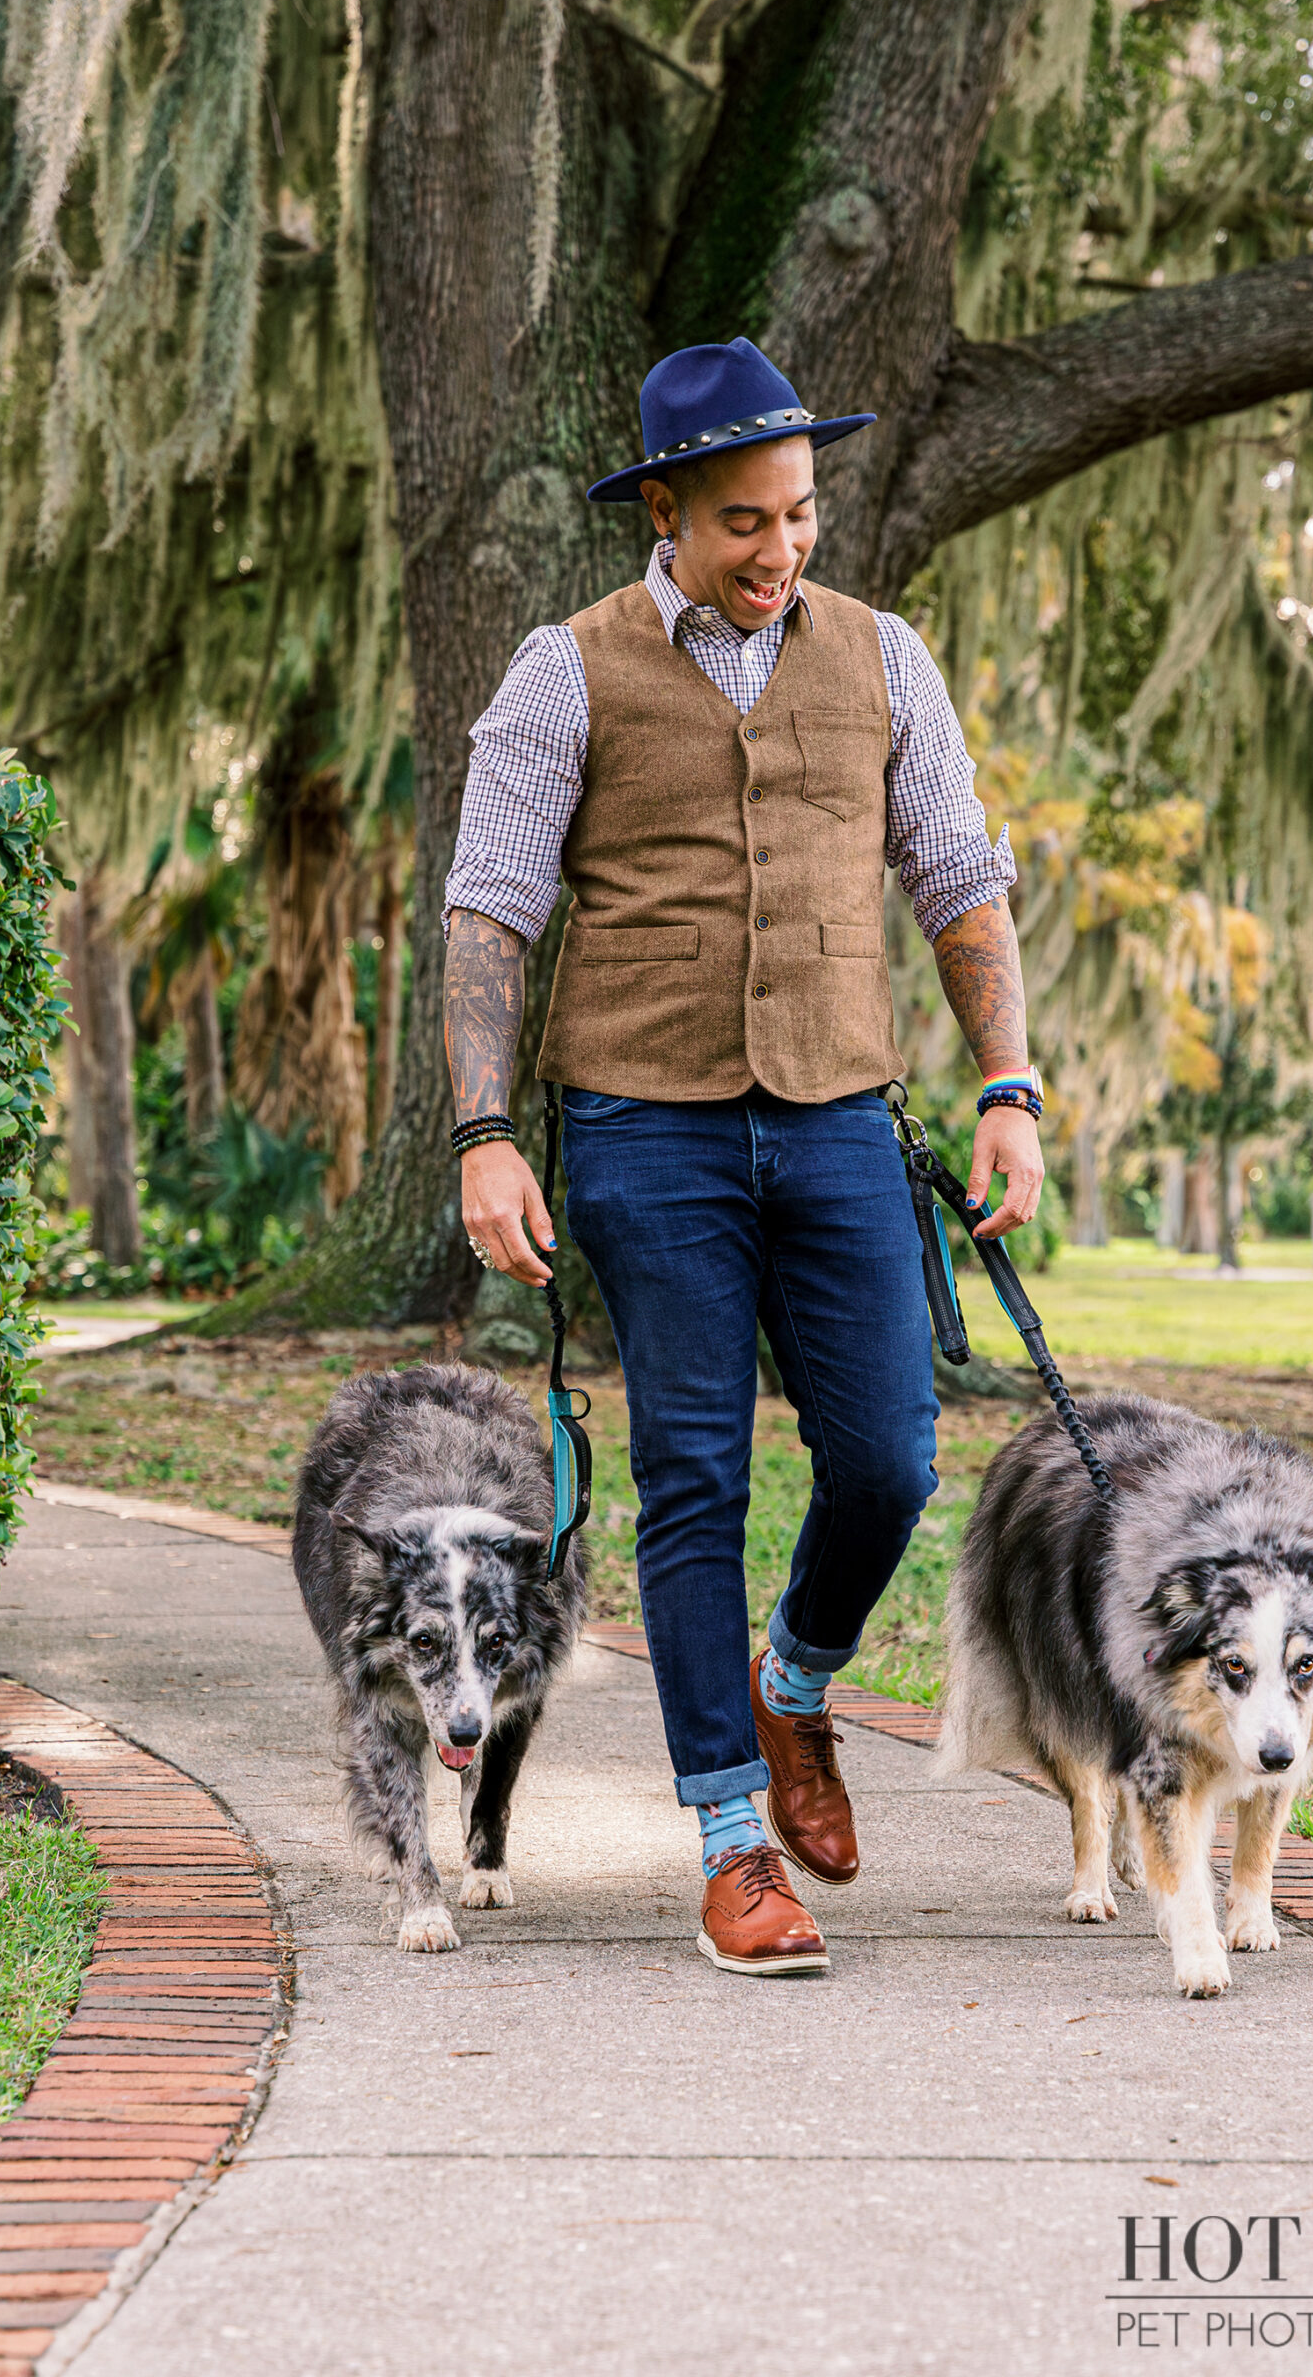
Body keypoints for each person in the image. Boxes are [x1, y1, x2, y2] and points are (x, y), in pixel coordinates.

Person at [442, 336, 1044, 1977]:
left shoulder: (884, 657)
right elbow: (490, 907)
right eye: (741, 525)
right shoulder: (565, 670)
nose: (779, 553)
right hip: (645, 1125)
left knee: (890, 1463)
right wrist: (488, 1136)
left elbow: (956, 876)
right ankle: (729, 1841)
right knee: (691, 1475)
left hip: (845, 1115)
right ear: (662, 510)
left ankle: (798, 1685)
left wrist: (1011, 1086)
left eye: (798, 516)